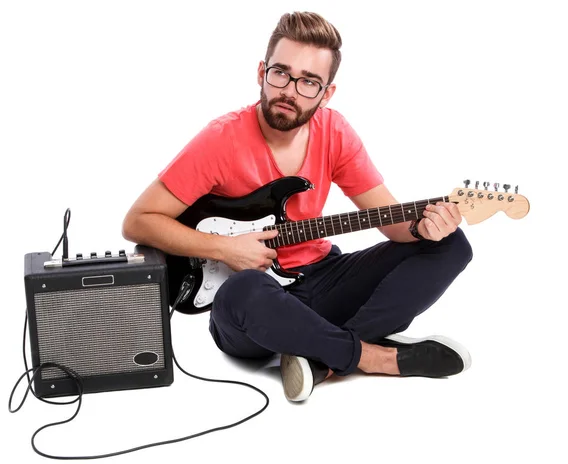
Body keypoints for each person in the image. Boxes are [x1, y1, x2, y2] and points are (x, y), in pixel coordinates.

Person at [122, 11, 473, 402]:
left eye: (309, 82)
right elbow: (139, 221)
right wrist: (224, 249)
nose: (290, 90)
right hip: (252, 309)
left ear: (327, 93)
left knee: (452, 245)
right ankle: (374, 357)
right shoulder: (220, 140)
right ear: (261, 72)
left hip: (323, 280)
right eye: (281, 73)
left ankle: (323, 356)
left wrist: (423, 228)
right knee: (243, 290)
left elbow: (391, 222)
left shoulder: (334, 132)